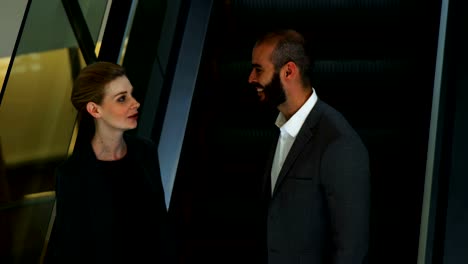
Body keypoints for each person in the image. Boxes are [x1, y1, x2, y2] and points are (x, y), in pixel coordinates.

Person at [248, 29, 370, 263]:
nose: (251, 78)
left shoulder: (340, 143)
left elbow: (351, 250)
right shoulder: (278, 130)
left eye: (258, 69)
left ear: (289, 71)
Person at [44, 61, 174, 263]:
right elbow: (72, 249)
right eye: (122, 99)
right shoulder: (72, 175)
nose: (135, 103)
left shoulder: (145, 151)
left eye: (131, 94)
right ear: (95, 110)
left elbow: (161, 226)